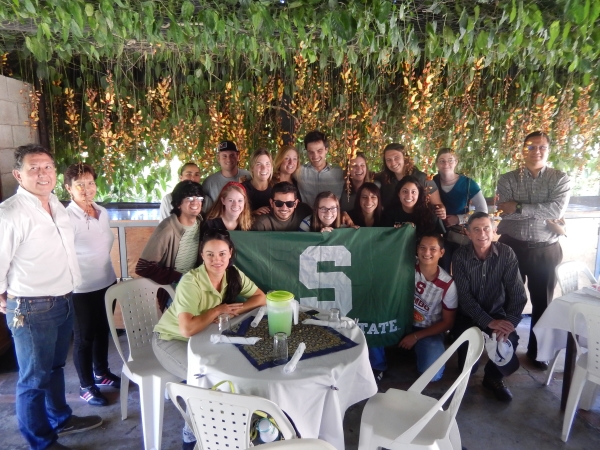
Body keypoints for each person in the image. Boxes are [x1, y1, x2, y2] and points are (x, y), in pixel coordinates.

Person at [0, 144, 102, 450]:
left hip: (63, 300)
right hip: (32, 307)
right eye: (34, 168)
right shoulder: (10, 214)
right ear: (18, 175)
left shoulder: (55, 204)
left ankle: (60, 418)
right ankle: (41, 442)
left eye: (47, 167)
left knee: (56, 368)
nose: (42, 173)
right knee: (33, 379)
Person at [152, 230, 266, 449]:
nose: (217, 260)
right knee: (206, 381)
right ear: (202, 256)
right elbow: (186, 329)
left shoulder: (232, 274)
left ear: (230, 254)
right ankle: (191, 435)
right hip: (171, 340)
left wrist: (235, 309)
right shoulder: (191, 282)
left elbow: (261, 297)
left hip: (204, 338)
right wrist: (218, 310)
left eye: (222, 254)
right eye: (210, 254)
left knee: (238, 373)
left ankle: (240, 428)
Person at [496, 131, 571, 370]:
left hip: (545, 250)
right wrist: (542, 212)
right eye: (531, 146)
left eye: (541, 147)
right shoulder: (507, 179)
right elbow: (505, 212)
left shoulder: (560, 179)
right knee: (507, 299)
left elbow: (555, 209)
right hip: (511, 248)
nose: (536, 151)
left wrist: (518, 206)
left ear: (548, 150)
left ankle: (539, 352)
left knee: (543, 302)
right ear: (523, 149)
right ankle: (503, 349)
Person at [452, 212, 527, 402]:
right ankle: (467, 369)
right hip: (468, 316)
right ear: (468, 233)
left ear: (494, 230)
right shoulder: (460, 256)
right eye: (476, 229)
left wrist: (509, 323)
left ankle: (493, 379)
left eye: (486, 228)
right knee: (467, 365)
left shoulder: (506, 253)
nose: (482, 233)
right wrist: (488, 321)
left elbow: (518, 294)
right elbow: (465, 298)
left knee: (509, 339)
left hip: (497, 313)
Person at [64, 163, 119, 407]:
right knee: (84, 337)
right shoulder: (66, 217)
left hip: (106, 281)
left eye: (90, 183)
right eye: (80, 185)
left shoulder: (102, 211)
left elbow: (103, 246)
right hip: (80, 288)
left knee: (102, 331)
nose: (86, 189)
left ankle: (102, 373)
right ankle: (86, 386)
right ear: (69, 189)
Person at [135, 180, 204, 310]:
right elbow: (143, 267)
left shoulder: (201, 222)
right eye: (189, 198)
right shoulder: (167, 228)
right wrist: (179, 277)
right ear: (178, 203)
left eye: (198, 198)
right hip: (174, 289)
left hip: (195, 286)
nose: (195, 202)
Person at [398, 233, 457, 381]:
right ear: (417, 250)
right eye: (422, 248)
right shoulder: (405, 267)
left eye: (433, 249)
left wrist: (416, 336)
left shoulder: (448, 284)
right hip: (400, 323)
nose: (426, 253)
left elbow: (447, 322)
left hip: (428, 330)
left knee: (433, 375)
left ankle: (419, 349)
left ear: (441, 253)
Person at [432, 148, 488, 272]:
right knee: (442, 270)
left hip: (461, 235)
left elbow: (483, 211)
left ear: (456, 162)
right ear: (436, 163)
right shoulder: (432, 181)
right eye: (442, 161)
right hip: (440, 235)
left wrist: (458, 218)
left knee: (462, 271)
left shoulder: (468, 184)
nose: (446, 164)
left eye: (450, 160)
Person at [375, 143, 445, 215]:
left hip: (420, 222)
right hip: (392, 223)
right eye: (388, 160)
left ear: (405, 158)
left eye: (396, 158)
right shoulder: (383, 179)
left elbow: (438, 205)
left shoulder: (423, 179)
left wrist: (442, 211)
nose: (393, 163)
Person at [295, 130, 344, 207]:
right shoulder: (299, 171)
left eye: (319, 151)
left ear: (326, 150)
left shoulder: (340, 171)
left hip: (332, 217)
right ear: (307, 152)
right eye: (311, 152)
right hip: (307, 217)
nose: (315, 156)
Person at [242, 148, 273, 215]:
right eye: (259, 164)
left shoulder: (276, 188)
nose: (264, 168)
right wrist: (253, 213)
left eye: (267, 164)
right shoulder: (242, 189)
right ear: (252, 168)